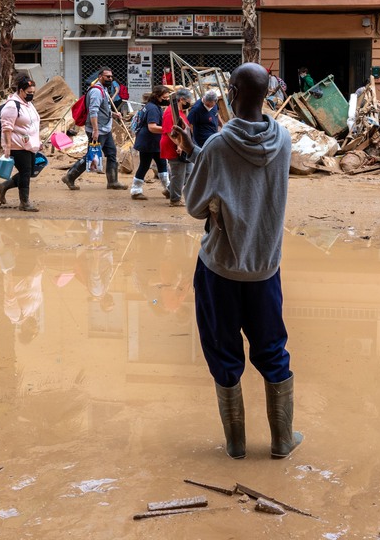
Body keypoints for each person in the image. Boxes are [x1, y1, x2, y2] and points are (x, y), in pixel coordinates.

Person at [175, 62, 301, 460]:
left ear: (230, 91)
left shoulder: (216, 145)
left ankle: (235, 444)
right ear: (266, 95)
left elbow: (194, 205)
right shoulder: (283, 140)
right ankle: (282, 440)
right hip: (265, 266)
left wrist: (202, 171)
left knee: (223, 350)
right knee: (272, 349)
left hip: (221, 269)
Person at [63, 68, 124, 191]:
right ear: (100, 76)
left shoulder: (104, 90)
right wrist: (95, 130)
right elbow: (93, 111)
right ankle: (70, 176)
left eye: (111, 77)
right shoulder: (96, 91)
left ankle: (113, 181)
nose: (110, 79)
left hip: (105, 129)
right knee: (91, 156)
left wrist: (113, 114)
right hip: (97, 130)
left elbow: (103, 109)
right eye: (107, 77)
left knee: (111, 153)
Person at [0, 75, 42, 212]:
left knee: (29, 173)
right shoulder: (12, 105)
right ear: (21, 91)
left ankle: (4, 186)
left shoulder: (28, 104)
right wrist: (8, 148)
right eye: (29, 93)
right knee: (25, 173)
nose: (31, 95)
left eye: (33, 93)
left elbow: (33, 124)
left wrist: (38, 141)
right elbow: (6, 127)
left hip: (30, 145)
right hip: (17, 145)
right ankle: (24, 202)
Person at [129, 84, 171, 200]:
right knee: (144, 165)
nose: (167, 100)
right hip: (148, 141)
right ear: (157, 97)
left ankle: (169, 188)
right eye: (165, 98)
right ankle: (136, 191)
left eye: (168, 97)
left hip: (153, 141)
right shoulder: (153, 109)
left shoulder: (152, 106)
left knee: (162, 163)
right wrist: (168, 130)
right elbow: (152, 127)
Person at [161, 88, 194, 206]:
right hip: (174, 146)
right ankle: (175, 199)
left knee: (188, 171)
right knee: (178, 173)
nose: (189, 102)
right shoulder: (171, 112)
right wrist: (179, 145)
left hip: (181, 145)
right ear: (181, 100)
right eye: (188, 100)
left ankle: (170, 190)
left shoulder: (179, 112)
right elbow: (171, 133)